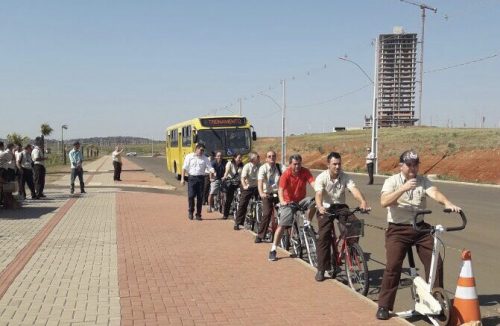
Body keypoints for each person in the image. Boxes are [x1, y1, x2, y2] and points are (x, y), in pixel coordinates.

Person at [375, 150, 461, 320]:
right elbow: (384, 202)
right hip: (398, 229)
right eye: (409, 165)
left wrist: (447, 203)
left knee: (436, 261)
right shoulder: (392, 181)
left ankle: (436, 301)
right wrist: (403, 188)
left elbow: (434, 192)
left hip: (420, 228)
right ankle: (384, 306)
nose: (413, 168)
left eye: (415, 164)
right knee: (393, 266)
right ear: (401, 166)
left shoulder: (423, 181)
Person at [314, 151, 370, 281]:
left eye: (339, 164)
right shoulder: (322, 177)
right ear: (328, 164)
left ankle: (351, 250)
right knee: (324, 237)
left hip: (340, 207)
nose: (337, 167)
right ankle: (322, 269)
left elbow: (354, 190)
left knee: (355, 225)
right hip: (325, 208)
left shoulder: (345, 176)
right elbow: (318, 194)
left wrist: (362, 202)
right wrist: (319, 206)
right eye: (334, 164)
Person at [268, 154, 315, 261]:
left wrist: (319, 190)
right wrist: (282, 201)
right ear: (290, 164)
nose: (297, 166)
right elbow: (280, 190)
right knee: (283, 225)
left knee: (315, 202)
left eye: (299, 164)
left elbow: (313, 183)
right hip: (288, 202)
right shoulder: (286, 174)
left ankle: (307, 223)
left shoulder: (305, 171)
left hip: (301, 201)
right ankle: (273, 249)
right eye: (295, 164)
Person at [180, 143, 214, 220]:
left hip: (201, 179)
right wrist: (182, 179)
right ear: (196, 149)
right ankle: (190, 211)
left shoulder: (205, 158)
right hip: (192, 178)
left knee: (200, 198)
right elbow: (184, 168)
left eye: (203, 150)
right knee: (191, 196)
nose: (202, 152)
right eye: (201, 150)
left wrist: (213, 171)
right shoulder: (189, 157)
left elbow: (210, 167)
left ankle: (198, 214)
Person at [255, 150, 281, 243]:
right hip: (267, 194)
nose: (271, 158)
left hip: (278, 193)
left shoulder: (279, 167)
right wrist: (261, 193)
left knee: (285, 212)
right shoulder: (263, 168)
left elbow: (288, 173)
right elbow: (260, 182)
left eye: (273, 156)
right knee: (267, 213)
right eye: (269, 156)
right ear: (266, 159)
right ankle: (260, 235)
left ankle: (285, 236)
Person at [234, 152, 260, 230]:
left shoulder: (260, 165)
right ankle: (238, 223)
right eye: (257, 157)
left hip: (257, 187)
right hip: (248, 187)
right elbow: (242, 178)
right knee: (243, 203)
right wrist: (245, 186)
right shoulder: (247, 166)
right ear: (252, 159)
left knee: (263, 201)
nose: (259, 158)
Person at [221, 153, 243, 220]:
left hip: (238, 182)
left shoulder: (242, 165)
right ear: (234, 158)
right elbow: (227, 172)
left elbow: (243, 174)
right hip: (231, 182)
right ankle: (225, 215)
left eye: (241, 158)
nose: (240, 159)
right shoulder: (230, 163)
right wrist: (225, 177)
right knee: (229, 199)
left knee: (242, 197)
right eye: (239, 157)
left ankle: (240, 215)